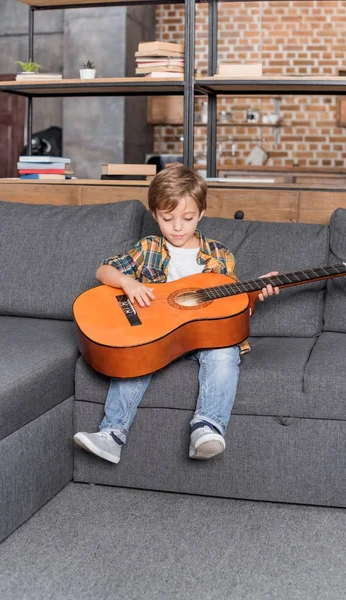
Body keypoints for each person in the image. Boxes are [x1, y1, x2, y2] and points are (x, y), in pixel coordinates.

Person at [74, 163, 279, 464]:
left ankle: (207, 427)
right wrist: (127, 282)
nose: (178, 227)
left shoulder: (220, 255)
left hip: (204, 339)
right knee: (133, 354)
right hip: (158, 337)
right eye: (168, 219)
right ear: (155, 214)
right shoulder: (149, 247)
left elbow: (232, 313)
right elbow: (103, 270)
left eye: (188, 218)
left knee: (225, 353)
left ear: (201, 213)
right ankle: (112, 435)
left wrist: (254, 296)